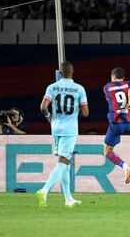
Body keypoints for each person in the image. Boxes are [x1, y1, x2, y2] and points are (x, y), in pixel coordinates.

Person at [36, 61, 89, 208]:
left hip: (55, 128)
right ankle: (44, 190)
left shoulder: (51, 87)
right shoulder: (79, 89)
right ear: (73, 72)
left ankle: (68, 199)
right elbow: (85, 113)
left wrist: (49, 117)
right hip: (70, 130)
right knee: (63, 162)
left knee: (66, 163)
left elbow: (43, 107)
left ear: (60, 72)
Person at [103, 68, 130, 184]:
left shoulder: (107, 86)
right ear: (123, 77)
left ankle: (125, 166)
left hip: (116, 124)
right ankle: (126, 167)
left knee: (107, 151)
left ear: (113, 77)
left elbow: (109, 100)